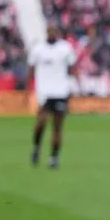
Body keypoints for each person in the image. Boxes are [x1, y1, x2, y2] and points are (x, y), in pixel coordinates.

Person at [28, 25, 77, 169]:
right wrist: (28, 88)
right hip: (44, 92)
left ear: (57, 32)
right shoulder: (38, 49)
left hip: (60, 91)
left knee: (57, 126)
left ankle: (54, 158)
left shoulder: (65, 48)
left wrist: (72, 87)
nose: (52, 33)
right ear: (46, 32)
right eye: (49, 31)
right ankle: (37, 147)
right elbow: (31, 68)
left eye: (54, 31)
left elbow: (72, 68)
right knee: (41, 123)